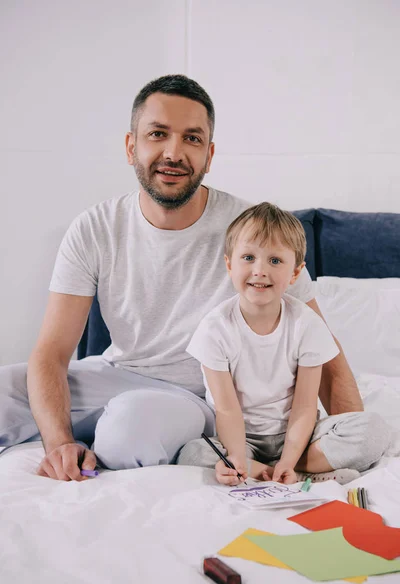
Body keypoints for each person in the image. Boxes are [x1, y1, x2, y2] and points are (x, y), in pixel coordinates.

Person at [0, 74, 364, 482]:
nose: (174, 152)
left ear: (208, 155)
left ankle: (138, 434)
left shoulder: (253, 234)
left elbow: (323, 350)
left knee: (127, 436)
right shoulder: (95, 227)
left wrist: (347, 434)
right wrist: (58, 442)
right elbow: (51, 353)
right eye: (158, 134)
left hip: (203, 395)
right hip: (115, 375)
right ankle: (91, 432)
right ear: (130, 146)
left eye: (192, 139)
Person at [177, 203, 389, 485]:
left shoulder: (307, 324)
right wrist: (237, 456)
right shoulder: (214, 329)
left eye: (275, 261)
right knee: (191, 454)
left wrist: (289, 458)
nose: (260, 270)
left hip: (300, 434)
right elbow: (227, 410)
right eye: (248, 257)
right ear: (230, 264)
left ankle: (282, 470)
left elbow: (303, 406)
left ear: (295, 273)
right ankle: (296, 473)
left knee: (373, 431)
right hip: (241, 436)